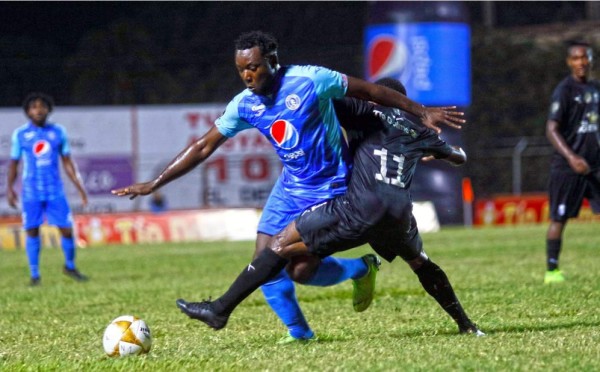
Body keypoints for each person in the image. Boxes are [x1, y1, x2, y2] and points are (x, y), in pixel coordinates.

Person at [112, 31, 464, 342]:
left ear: (273, 61)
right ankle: (300, 334)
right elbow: (204, 145)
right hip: (290, 187)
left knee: (300, 270)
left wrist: (420, 112)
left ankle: (360, 268)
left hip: (332, 186)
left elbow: (372, 91)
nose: (248, 76)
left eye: (253, 67)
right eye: (241, 70)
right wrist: (154, 183)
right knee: (264, 263)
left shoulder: (311, 80)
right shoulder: (245, 104)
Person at [175, 78, 484, 336]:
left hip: (359, 207)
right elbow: (459, 156)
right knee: (420, 263)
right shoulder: (420, 131)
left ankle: (219, 310)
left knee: (279, 243)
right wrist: (436, 152)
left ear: (380, 98)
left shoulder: (366, 111)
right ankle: (466, 325)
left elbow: (320, 98)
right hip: (399, 214)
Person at [7, 92, 89, 286]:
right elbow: (14, 164)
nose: (38, 110)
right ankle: (35, 275)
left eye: (42, 106)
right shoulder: (21, 134)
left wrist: (80, 187)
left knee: (67, 230)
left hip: (55, 191)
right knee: (32, 231)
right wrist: (10, 189)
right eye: (34, 107)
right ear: (27, 111)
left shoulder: (58, 132)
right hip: (31, 192)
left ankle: (70, 266)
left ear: (48, 110)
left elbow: (67, 162)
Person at [544, 41, 600, 284]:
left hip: (596, 166)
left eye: (585, 57)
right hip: (568, 168)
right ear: (569, 62)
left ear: (591, 60)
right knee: (559, 218)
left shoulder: (596, 88)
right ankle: (552, 271)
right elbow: (551, 128)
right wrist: (572, 157)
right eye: (576, 58)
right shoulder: (564, 90)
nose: (582, 62)